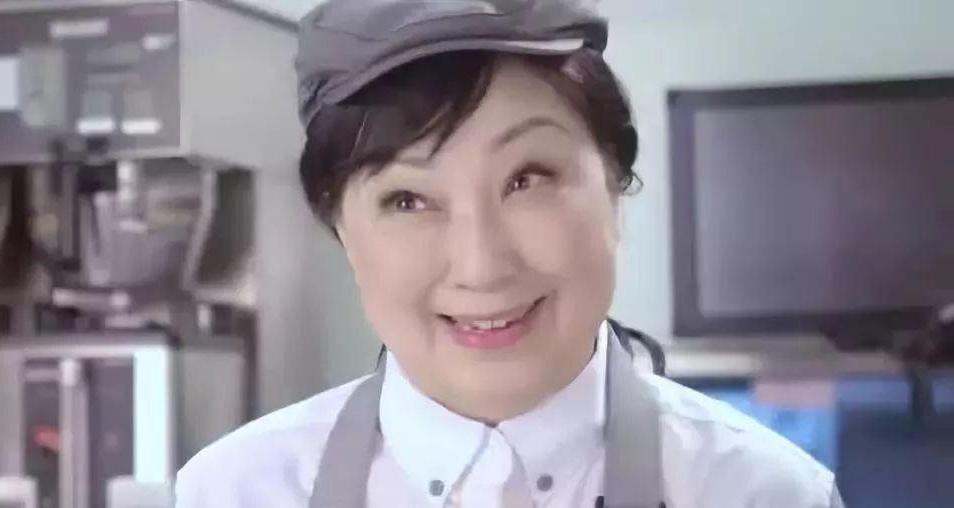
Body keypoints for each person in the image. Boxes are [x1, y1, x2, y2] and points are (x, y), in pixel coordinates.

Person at [175, 1, 845, 507]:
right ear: (341, 229)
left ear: (616, 185)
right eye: (408, 199)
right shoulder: (236, 492)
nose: (482, 265)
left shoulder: (763, 492)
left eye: (528, 179)